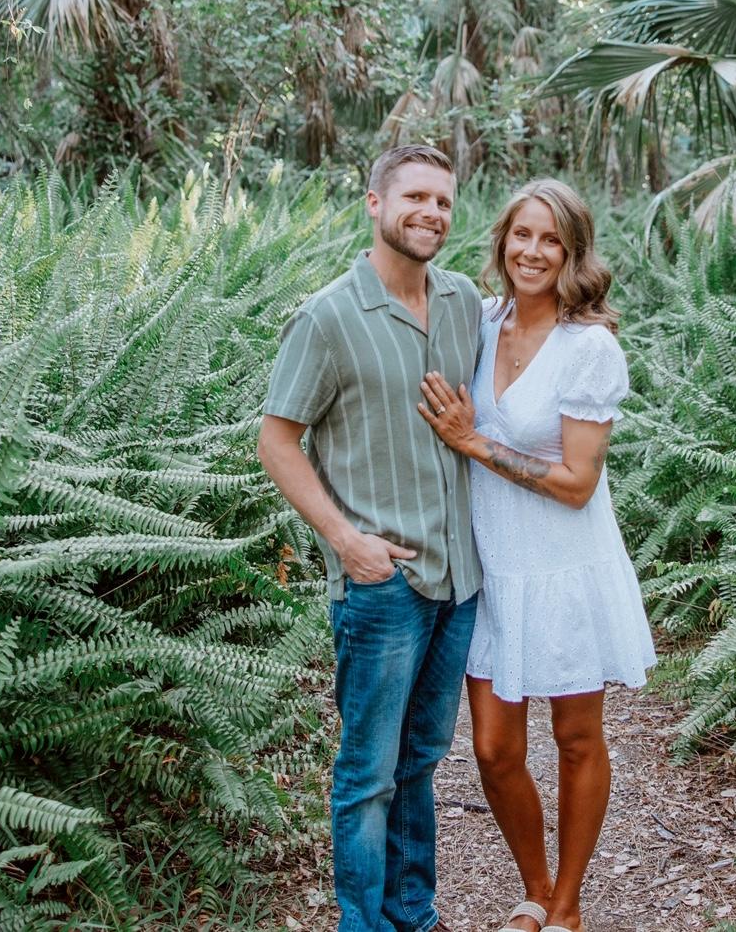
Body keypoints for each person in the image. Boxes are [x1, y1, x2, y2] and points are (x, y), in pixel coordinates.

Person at [417, 178, 656, 932]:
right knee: (491, 748)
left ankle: (569, 905)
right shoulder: (480, 323)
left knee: (577, 738)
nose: (533, 251)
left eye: (551, 239)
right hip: (494, 569)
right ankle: (534, 886)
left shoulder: (589, 349)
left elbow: (578, 483)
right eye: (522, 234)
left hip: (564, 568)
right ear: (502, 242)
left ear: (573, 253)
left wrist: (474, 443)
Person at [257, 145, 482, 932]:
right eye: (415, 197)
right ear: (374, 204)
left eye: (445, 202)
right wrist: (345, 542)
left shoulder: (462, 302)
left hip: (458, 582)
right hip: (382, 586)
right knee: (366, 775)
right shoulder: (328, 316)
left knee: (420, 763)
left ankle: (412, 915)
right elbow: (277, 439)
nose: (431, 213)